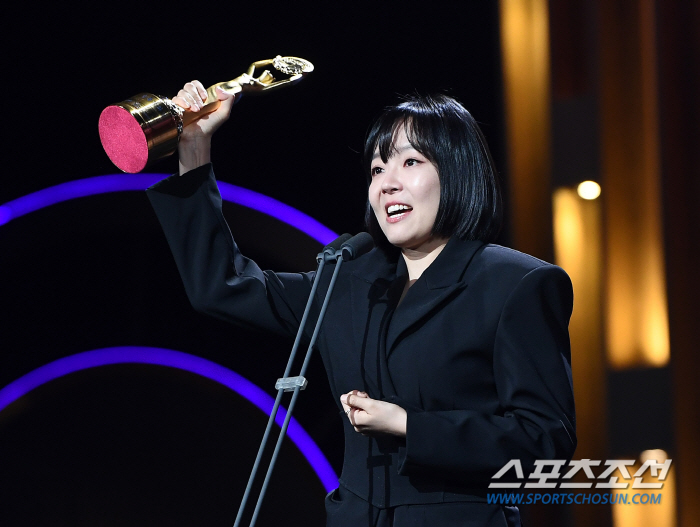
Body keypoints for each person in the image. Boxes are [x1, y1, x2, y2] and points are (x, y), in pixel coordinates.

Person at [147, 81, 576, 527]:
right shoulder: (348, 281)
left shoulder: (517, 283)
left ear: (457, 172)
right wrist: (194, 150)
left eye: (411, 162)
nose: (387, 183)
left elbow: (545, 440)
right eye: (376, 169)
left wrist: (409, 424)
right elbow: (223, 285)